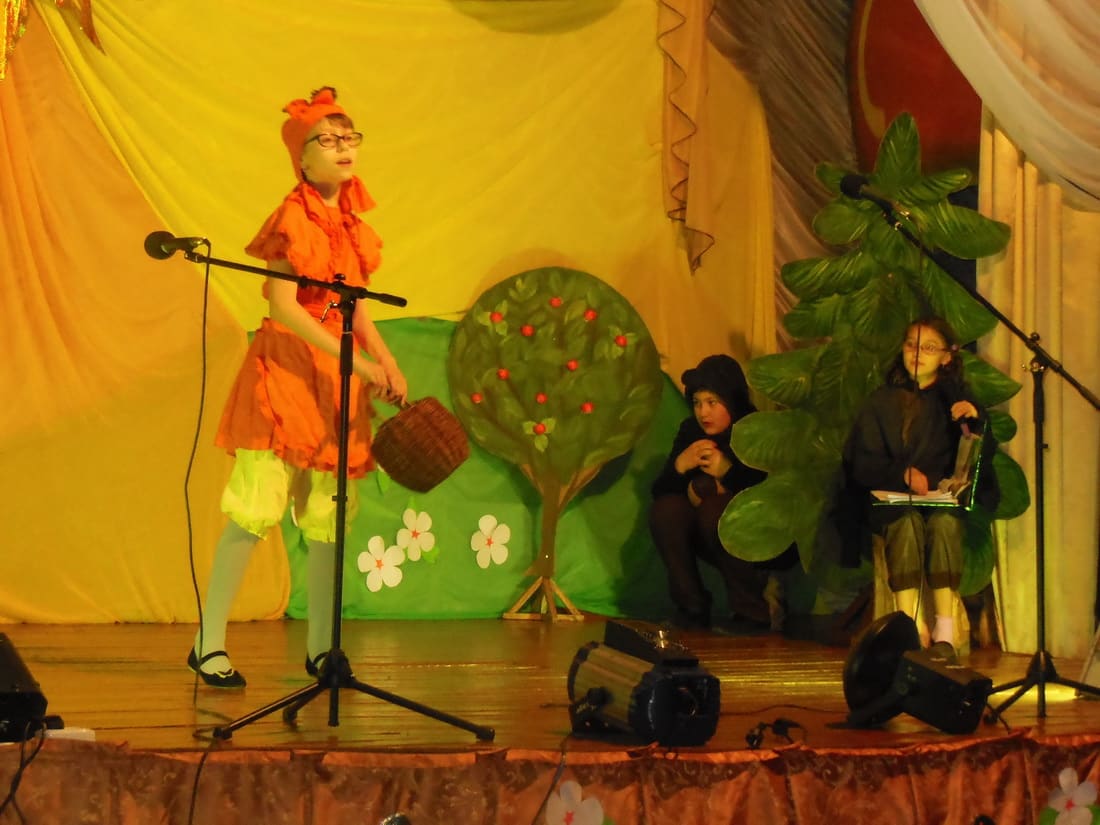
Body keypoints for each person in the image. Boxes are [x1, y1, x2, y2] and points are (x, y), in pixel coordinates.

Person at [188, 86, 407, 687]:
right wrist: (356, 361)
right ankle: (208, 642)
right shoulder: (291, 219)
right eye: (327, 140)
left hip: (334, 377)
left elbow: (357, 306)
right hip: (285, 370)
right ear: (302, 158)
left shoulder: (353, 228)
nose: (342, 148)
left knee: (329, 514)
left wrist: (385, 360)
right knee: (256, 508)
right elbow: (284, 307)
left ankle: (321, 650)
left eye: (348, 137)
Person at [842, 317, 996, 649]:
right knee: (906, 523)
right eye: (912, 344)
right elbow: (861, 461)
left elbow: (978, 457)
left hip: (939, 501)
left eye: (928, 348)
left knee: (944, 524)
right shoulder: (880, 402)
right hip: (891, 501)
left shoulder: (954, 401)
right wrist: (901, 474)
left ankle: (945, 627)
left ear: (946, 356)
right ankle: (911, 623)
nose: (917, 353)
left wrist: (975, 421)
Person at [649, 354, 792, 631]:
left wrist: (727, 471)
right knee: (666, 511)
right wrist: (680, 465)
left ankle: (752, 612)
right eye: (697, 403)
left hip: (759, 537)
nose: (703, 413)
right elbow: (661, 491)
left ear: (731, 400)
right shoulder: (691, 431)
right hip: (708, 535)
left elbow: (770, 491)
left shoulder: (755, 428)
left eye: (712, 402)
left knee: (715, 510)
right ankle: (692, 606)